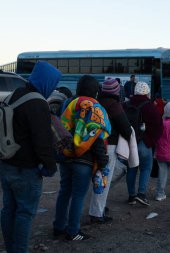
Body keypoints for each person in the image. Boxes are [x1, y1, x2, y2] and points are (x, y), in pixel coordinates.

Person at [0, 61, 61, 252]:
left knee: (9, 209)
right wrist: (50, 165)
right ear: (46, 82)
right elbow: (42, 141)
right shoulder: (37, 103)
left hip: (6, 164)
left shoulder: (13, 96)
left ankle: (11, 248)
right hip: (26, 169)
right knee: (25, 213)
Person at [53, 75, 110, 240]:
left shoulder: (68, 103)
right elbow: (97, 137)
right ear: (95, 91)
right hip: (84, 160)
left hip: (65, 156)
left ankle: (58, 227)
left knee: (64, 191)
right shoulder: (95, 107)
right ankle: (73, 231)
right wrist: (102, 161)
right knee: (78, 195)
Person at [88, 78, 132, 223]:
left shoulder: (97, 102)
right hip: (109, 146)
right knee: (104, 178)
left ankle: (98, 208)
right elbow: (125, 128)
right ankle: (97, 213)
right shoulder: (114, 105)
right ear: (116, 91)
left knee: (100, 177)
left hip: (94, 144)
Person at [126, 82, 163, 206]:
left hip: (130, 143)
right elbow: (159, 126)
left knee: (131, 169)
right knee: (146, 168)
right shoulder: (150, 106)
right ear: (147, 92)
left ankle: (131, 196)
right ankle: (141, 194)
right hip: (144, 143)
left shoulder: (126, 104)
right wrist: (151, 141)